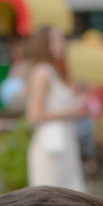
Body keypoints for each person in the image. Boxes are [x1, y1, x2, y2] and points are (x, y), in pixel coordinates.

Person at [18, 28, 86, 191]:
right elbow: (34, 114)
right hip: (50, 143)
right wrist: (71, 112)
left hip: (66, 141)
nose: (63, 45)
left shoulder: (57, 71)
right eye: (57, 40)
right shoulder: (42, 72)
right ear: (45, 45)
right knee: (51, 196)